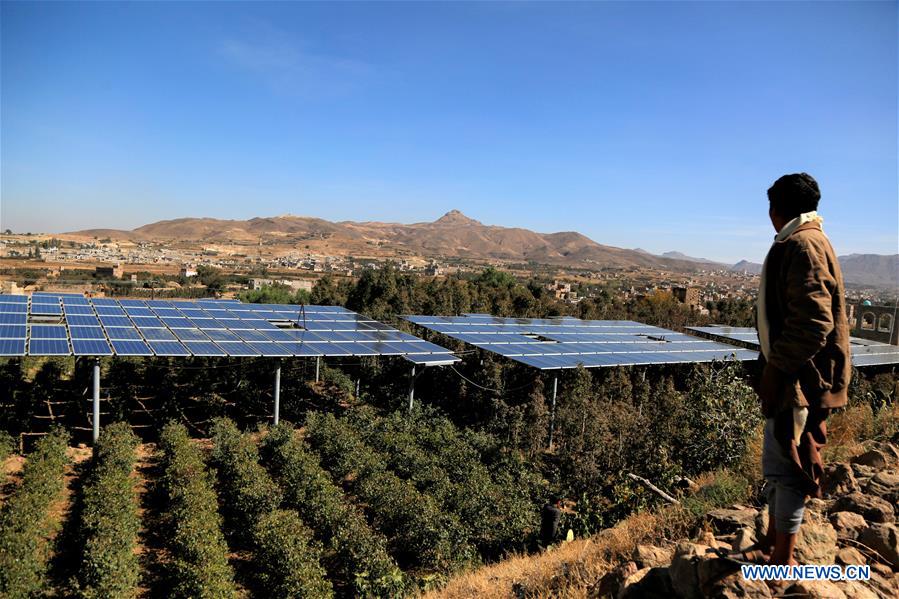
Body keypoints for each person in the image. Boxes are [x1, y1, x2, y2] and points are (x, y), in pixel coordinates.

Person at [754, 173, 851, 566]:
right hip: (796, 375)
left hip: (800, 380)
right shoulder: (804, 239)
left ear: (777, 209)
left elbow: (813, 323)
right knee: (779, 460)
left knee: (791, 465)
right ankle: (772, 541)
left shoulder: (803, 244)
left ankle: (783, 558)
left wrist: (776, 369)